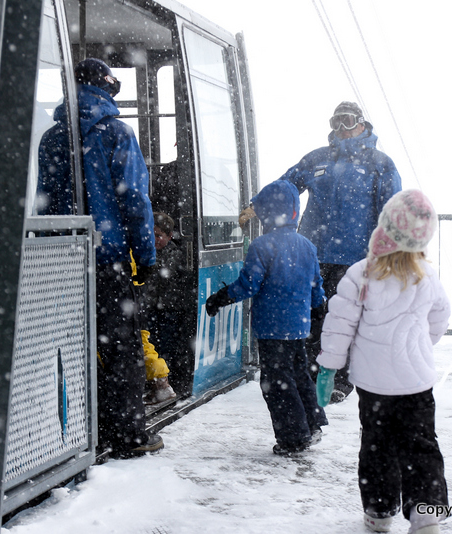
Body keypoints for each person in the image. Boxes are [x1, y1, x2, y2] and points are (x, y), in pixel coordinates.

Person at [37, 58, 163, 458]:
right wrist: (145, 256)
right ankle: (127, 435)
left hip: (63, 259)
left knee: (73, 344)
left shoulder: (52, 138)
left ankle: (79, 428)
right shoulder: (117, 133)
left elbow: (44, 203)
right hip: (106, 259)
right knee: (120, 347)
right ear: (107, 87)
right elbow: (135, 201)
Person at [239, 101, 401, 404]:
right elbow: (286, 184)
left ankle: (341, 380)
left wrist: (390, 250)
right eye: (335, 121)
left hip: (356, 257)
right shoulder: (317, 159)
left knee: (348, 319)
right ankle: (313, 375)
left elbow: (391, 209)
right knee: (313, 315)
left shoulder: (380, 162)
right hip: (313, 252)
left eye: (347, 120)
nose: (341, 128)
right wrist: (257, 203)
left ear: (362, 123)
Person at [315, 189, 451, 533]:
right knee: (421, 444)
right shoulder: (426, 275)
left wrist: (330, 366)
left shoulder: (362, 273)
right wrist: (418, 346)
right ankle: (426, 512)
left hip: (374, 385)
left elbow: (340, 323)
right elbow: (439, 319)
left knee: (378, 447)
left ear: (385, 227)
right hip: (417, 382)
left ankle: (378, 512)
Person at [206, 180, 328, 455]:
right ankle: (313, 423)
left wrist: (220, 298)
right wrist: (319, 307)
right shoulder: (307, 246)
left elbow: (249, 285)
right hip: (298, 327)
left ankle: (294, 438)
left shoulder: (262, 246)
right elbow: (315, 285)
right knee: (298, 375)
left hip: (273, 327)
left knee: (276, 383)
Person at [142, 211, 193, 398]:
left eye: (158, 236)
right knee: (151, 343)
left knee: (165, 346)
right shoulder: (147, 250)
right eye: (151, 235)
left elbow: (161, 275)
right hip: (152, 308)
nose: (154, 240)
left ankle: (165, 382)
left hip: (169, 309)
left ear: (169, 236)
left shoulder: (174, 253)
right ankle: (154, 382)